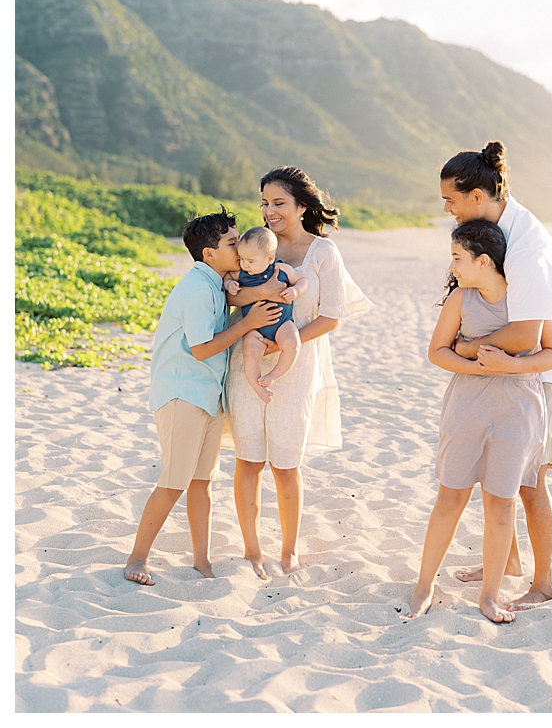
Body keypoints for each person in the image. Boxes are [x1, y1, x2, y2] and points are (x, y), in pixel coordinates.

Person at [438, 142, 552, 608]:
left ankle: (542, 583)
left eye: (451, 200)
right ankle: (506, 559)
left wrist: (462, 347)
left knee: (529, 480)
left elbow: (526, 336)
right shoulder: (500, 230)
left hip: (546, 371)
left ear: (478, 197)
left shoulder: (525, 251)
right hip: (513, 368)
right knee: (498, 473)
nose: (447, 210)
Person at [404, 219, 552, 623]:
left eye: (458, 258)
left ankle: (489, 596)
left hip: (519, 412)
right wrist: (481, 368)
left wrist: (510, 365)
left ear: (484, 261)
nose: (453, 266)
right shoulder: (462, 298)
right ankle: (424, 587)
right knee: (451, 497)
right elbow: (438, 352)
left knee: (500, 504)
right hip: (467, 408)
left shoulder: (529, 296)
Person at [223, 166, 373, 576]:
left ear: (302, 206)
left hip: (297, 368)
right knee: (248, 461)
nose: (269, 211)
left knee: (286, 466)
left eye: (279, 203)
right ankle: (252, 550)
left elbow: (332, 317)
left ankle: (288, 551)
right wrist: (257, 320)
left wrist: (286, 342)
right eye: (265, 203)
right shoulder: (250, 247)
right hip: (247, 369)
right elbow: (229, 296)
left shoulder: (322, 253)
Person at [124, 211, 282, 585]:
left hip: (208, 395)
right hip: (183, 393)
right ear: (209, 253)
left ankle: (201, 562)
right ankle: (136, 558)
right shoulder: (196, 288)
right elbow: (200, 349)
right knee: (173, 482)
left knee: (201, 483)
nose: (240, 246)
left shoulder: (216, 284)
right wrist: (247, 322)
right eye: (232, 242)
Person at [222, 225, 308, 406]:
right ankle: (259, 387)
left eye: (250, 261)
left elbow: (302, 279)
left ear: (269, 258)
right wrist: (230, 284)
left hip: (282, 322)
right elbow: (228, 276)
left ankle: (273, 376)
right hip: (254, 328)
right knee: (250, 353)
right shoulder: (242, 273)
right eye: (241, 259)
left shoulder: (281, 269)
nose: (244, 264)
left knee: (293, 343)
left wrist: (295, 291)